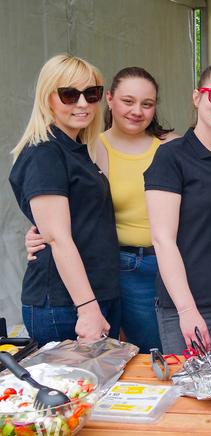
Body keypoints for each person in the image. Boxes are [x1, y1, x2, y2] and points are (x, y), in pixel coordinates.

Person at [25, 67, 179, 352]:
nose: (137, 111)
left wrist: (48, 229)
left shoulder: (171, 145)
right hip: (120, 265)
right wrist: (42, 232)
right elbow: (62, 219)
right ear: (110, 99)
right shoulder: (86, 147)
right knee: (142, 355)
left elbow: (79, 207)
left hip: (168, 262)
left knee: (165, 353)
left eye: (147, 104)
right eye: (128, 101)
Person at [9, 54, 120, 344]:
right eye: (70, 95)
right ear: (48, 99)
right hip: (66, 304)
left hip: (93, 295)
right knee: (70, 390)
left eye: (91, 94)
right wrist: (87, 308)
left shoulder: (81, 149)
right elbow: (57, 238)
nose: (83, 104)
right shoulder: (44, 152)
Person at [144, 61, 211, 354]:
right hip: (187, 305)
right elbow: (162, 239)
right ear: (197, 97)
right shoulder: (171, 157)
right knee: (192, 396)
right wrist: (187, 310)